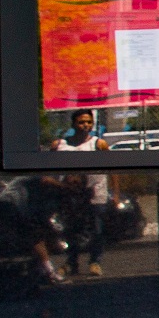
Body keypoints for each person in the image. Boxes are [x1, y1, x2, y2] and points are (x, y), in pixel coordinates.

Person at [51, 109, 111, 277]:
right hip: (71, 195)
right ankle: (72, 262)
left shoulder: (98, 144)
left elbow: (113, 168)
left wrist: (116, 194)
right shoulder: (60, 145)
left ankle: (95, 261)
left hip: (95, 194)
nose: (85, 125)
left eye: (89, 122)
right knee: (72, 229)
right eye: (81, 122)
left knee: (97, 229)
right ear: (73, 124)